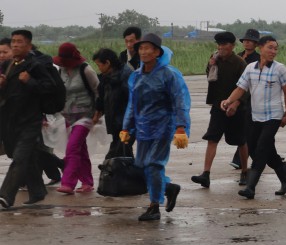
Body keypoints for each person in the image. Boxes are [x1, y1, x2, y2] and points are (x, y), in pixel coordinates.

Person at [120, 33, 187, 221]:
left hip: (163, 126)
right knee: (141, 165)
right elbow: (132, 104)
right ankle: (169, 188)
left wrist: (180, 127)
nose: (143, 51)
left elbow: (179, 101)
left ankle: (154, 206)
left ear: (157, 52)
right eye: (141, 48)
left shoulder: (168, 75)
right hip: (143, 128)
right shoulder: (136, 76)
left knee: (154, 165)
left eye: (148, 48)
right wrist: (126, 127)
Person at [222, 35, 286, 200]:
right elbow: (241, 88)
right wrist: (229, 100)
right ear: (260, 48)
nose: (273, 51)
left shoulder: (279, 69)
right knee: (259, 150)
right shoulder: (250, 68)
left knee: (262, 148)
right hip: (255, 116)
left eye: (275, 48)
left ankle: (251, 187)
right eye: (270, 47)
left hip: (273, 116)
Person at [0, 30, 59, 209]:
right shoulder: (10, 64)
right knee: (26, 156)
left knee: (20, 157)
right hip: (10, 120)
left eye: (20, 42)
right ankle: (38, 191)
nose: (16, 45)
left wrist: (30, 81)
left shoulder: (35, 65)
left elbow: (50, 88)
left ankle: (5, 195)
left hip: (30, 121)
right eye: (14, 41)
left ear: (28, 45)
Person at [192, 32, 247, 189]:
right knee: (212, 138)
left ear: (233, 46)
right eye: (219, 44)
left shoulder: (239, 63)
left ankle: (244, 172)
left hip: (237, 108)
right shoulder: (214, 58)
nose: (221, 47)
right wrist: (211, 65)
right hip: (218, 106)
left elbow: (245, 87)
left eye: (225, 45)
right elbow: (209, 76)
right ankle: (206, 174)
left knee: (241, 141)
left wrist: (235, 104)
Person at [52, 43, 100, 194]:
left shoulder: (86, 70)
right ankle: (87, 182)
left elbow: (99, 91)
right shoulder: (61, 71)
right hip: (68, 116)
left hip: (86, 115)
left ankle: (68, 183)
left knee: (72, 148)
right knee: (80, 149)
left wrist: (98, 114)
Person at [91, 48, 133, 160]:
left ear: (108, 63)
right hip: (115, 125)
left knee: (114, 157)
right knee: (124, 156)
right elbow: (101, 98)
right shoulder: (105, 78)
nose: (98, 68)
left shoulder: (125, 76)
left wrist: (129, 124)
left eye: (99, 64)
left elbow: (132, 101)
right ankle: (131, 176)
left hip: (126, 125)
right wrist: (96, 116)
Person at [229, 28, 261, 170]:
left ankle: (239, 159)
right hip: (238, 95)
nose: (247, 43)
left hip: (252, 99)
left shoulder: (258, 60)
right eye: (245, 41)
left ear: (256, 44)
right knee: (246, 131)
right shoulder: (238, 56)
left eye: (250, 41)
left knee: (248, 131)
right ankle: (259, 158)